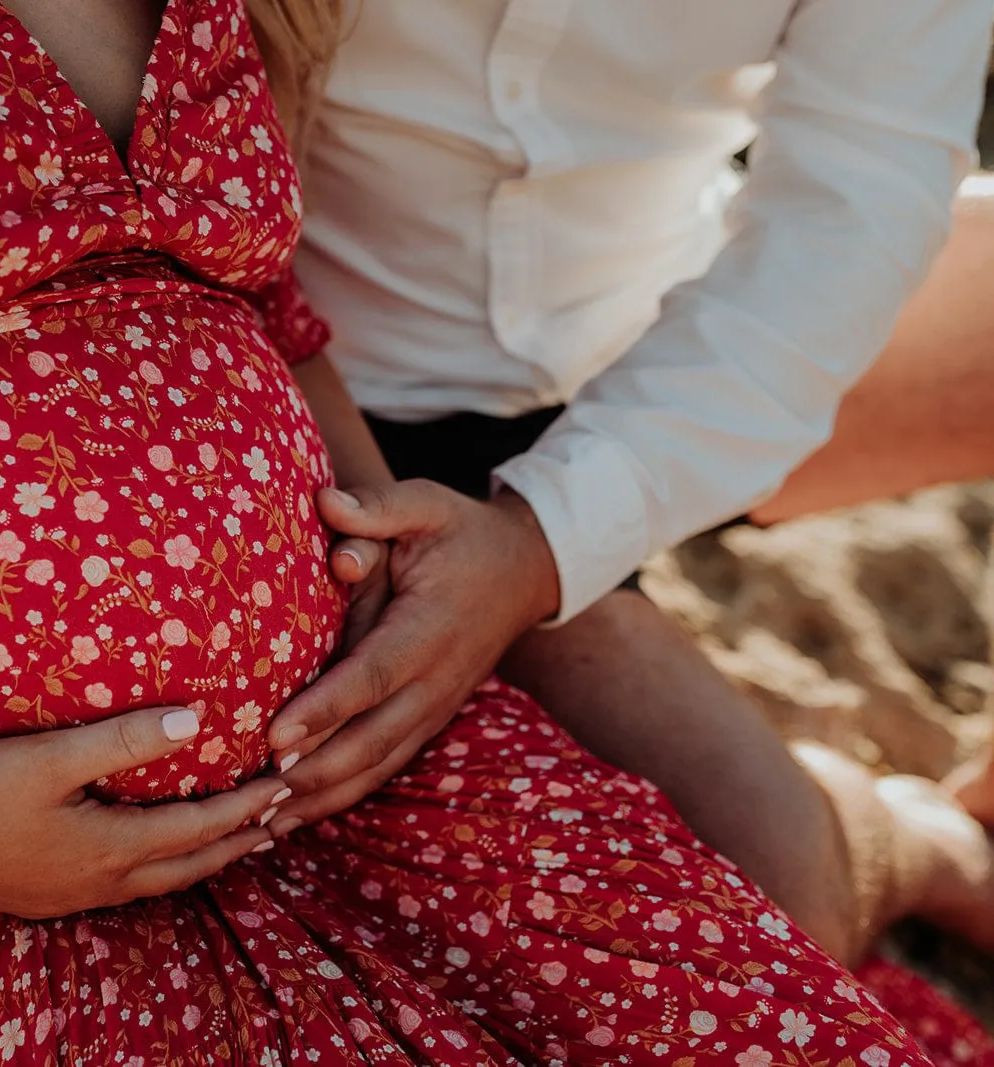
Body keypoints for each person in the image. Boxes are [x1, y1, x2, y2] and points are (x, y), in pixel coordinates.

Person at [0, 0, 981, 1063]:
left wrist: (485, 575)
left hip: (563, 446)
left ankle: (878, 822)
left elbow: (835, 229)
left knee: (759, 924)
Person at [253, 0, 994, 983]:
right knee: (771, 902)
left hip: (655, 334)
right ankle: (918, 840)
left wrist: (547, 538)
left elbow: (854, 204)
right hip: (328, 382)